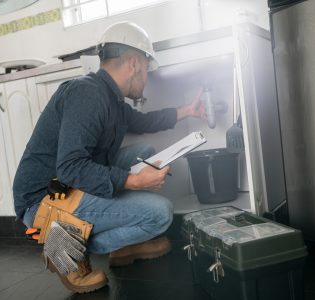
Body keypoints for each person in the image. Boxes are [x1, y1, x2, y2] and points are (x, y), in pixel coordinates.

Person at [12, 21, 206, 293]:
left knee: (144, 154)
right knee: (160, 214)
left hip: (67, 186)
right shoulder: (87, 94)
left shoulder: (109, 96)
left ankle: (122, 246)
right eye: (147, 70)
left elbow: (143, 122)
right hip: (45, 200)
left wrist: (186, 111)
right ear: (134, 63)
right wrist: (135, 182)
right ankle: (64, 250)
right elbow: (69, 168)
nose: (147, 78)